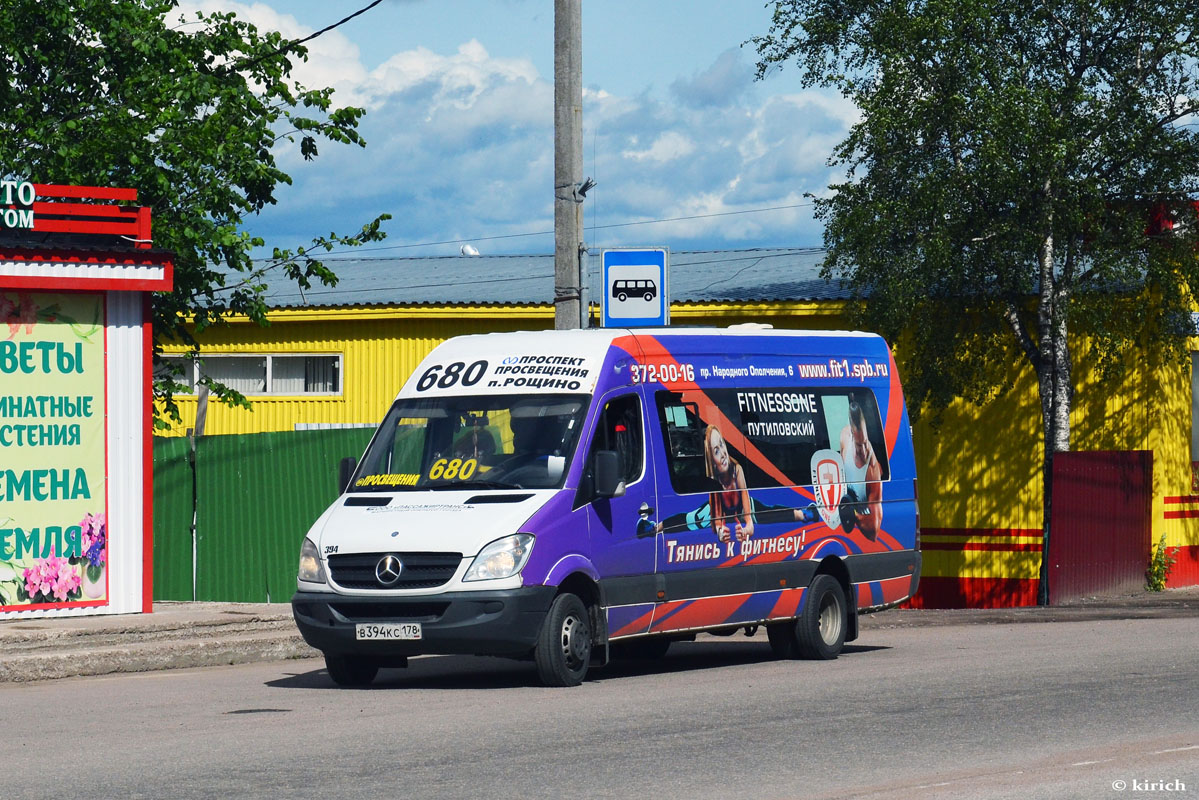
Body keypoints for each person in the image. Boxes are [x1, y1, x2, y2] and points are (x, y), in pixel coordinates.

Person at [839, 397, 883, 540]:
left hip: (864, 542)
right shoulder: (845, 437)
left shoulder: (872, 470)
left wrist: (853, 515)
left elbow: (874, 531)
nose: (864, 450)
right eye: (859, 446)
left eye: (865, 443)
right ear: (851, 436)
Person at [704, 424, 754, 543]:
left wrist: (746, 530)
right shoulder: (713, 481)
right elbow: (717, 521)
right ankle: (656, 527)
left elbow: (749, 520)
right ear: (712, 461)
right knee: (689, 518)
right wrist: (721, 533)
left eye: (721, 444)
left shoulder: (737, 470)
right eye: (716, 451)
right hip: (714, 511)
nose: (723, 454)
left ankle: (803, 513)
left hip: (744, 508)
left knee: (772, 509)